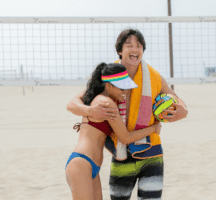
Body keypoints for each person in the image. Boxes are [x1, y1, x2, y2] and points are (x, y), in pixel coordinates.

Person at [67, 29, 188, 200]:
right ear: (120, 50)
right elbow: (72, 103)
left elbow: (176, 98)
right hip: (120, 154)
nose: (135, 49)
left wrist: (183, 110)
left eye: (139, 46)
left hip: (151, 152)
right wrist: (90, 111)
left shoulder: (154, 77)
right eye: (129, 45)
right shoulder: (109, 78)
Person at [65, 62, 162, 200]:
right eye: (122, 89)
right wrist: (153, 128)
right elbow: (126, 137)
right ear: (109, 86)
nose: (126, 92)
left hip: (90, 166)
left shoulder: (97, 95)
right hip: (82, 163)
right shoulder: (106, 102)